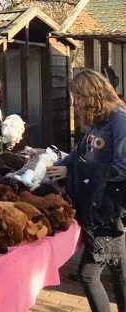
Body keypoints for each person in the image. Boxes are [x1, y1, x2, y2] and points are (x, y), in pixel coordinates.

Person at [47, 69, 126, 312]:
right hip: (98, 204)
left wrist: (74, 173)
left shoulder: (119, 120)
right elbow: (77, 153)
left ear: (93, 94)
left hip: (109, 207)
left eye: (79, 97)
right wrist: (54, 168)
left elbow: (122, 168)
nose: (76, 103)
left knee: (89, 275)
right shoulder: (96, 122)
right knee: (120, 270)